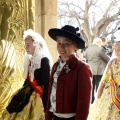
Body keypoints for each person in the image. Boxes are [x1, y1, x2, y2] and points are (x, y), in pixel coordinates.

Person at [0, 29, 52, 120]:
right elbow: (28, 80)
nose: (26, 48)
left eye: (28, 45)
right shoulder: (30, 59)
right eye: (25, 45)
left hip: (38, 97)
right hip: (28, 91)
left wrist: (46, 104)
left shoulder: (44, 60)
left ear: (36, 44)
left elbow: (47, 84)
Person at [45, 25, 92, 120]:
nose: (61, 47)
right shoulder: (55, 66)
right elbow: (51, 93)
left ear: (75, 46)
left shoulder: (82, 68)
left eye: (66, 43)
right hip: (54, 116)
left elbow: (84, 102)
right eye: (59, 43)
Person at [87, 41, 120, 120]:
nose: (117, 52)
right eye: (115, 50)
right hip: (108, 92)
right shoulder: (111, 62)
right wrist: (100, 90)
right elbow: (105, 78)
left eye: (119, 49)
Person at [84, 38, 110, 103]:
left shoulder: (87, 49)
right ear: (99, 42)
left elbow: (86, 59)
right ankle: (98, 101)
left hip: (90, 71)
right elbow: (107, 59)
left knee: (91, 87)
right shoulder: (100, 49)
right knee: (99, 87)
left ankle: (91, 100)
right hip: (99, 71)